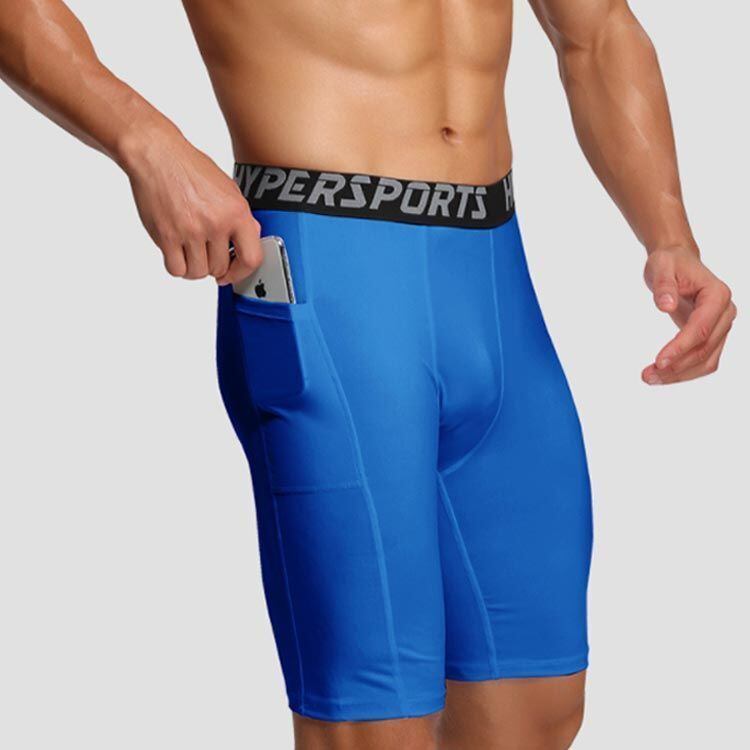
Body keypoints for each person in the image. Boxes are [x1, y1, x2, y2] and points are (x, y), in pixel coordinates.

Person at [0, 1, 737, 748]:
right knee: (375, 725)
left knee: (536, 709)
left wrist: (669, 234)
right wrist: (146, 141)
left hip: (492, 280)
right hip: (326, 269)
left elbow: (597, 29)